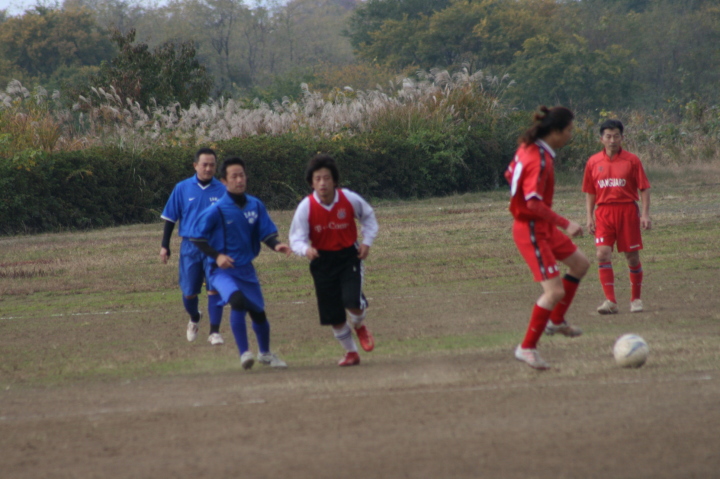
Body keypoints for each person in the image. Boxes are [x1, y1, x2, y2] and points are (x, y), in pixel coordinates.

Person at [505, 106, 590, 370]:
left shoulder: (527, 147)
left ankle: (556, 320)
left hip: (540, 226)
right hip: (531, 229)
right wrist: (566, 224)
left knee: (580, 264)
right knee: (554, 292)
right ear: (555, 131)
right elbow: (532, 203)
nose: (570, 135)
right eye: (568, 130)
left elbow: (509, 174)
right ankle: (527, 348)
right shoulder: (539, 160)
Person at [190, 157, 290, 370]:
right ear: (224, 181)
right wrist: (217, 256)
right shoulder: (217, 210)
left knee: (258, 313)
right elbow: (196, 236)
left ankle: (265, 354)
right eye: (234, 176)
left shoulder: (255, 205)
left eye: (242, 175)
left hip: (246, 270)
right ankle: (245, 353)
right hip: (221, 271)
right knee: (237, 301)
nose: (239, 180)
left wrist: (276, 245)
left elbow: (265, 232)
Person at [289, 154, 379, 367]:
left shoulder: (349, 198)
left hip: (349, 257)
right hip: (322, 261)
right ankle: (351, 353)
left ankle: (359, 325)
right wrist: (305, 249)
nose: (322, 183)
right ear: (312, 182)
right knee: (334, 316)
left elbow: (368, 217)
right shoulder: (306, 206)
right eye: (318, 179)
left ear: (335, 180)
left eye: (327, 178)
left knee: (353, 303)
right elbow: (295, 238)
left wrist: (366, 242)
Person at [583, 119, 651, 314]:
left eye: (616, 136)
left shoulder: (632, 160)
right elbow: (590, 191)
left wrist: (645, 214)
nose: (612, 140)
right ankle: (610, 301)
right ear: (601, 139)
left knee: (632, 257)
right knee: (602, 254)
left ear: (622, 138)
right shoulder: (593, 162)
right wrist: (589, 217)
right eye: (608, 136)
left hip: (627, 211)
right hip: (604, 213)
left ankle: (636, 299)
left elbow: (644, 188)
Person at [160, 147, 227, 346]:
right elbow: (170, 218)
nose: (208, 168)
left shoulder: (223, 190)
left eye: (212, 165)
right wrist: (165, 246)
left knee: (214, 289)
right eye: (204, 165)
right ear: (195, 165)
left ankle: (214, 332)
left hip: (215, 247)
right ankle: (195, 317)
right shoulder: (182, 188)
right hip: (190, 247)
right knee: (189, 292)